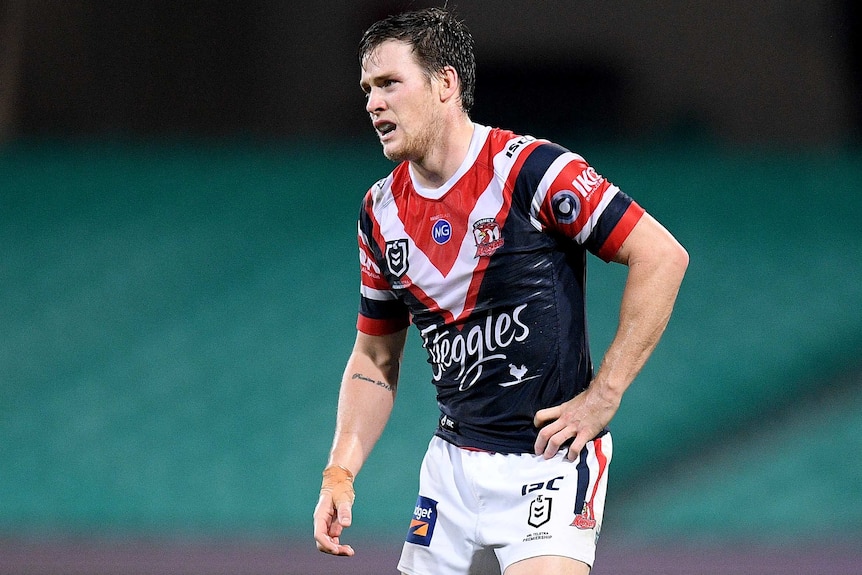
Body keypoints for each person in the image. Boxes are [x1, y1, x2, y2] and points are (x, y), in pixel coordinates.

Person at [313, 7, 688, 575]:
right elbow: (374, 358)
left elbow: (661, 256)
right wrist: (339, 471)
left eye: (389, 83)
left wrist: (605, 393)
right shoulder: (379, 212)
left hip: (547, 463)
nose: (372, 102)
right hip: (451, 470)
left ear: (445, 84)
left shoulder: (532, 171)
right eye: (367, 88)